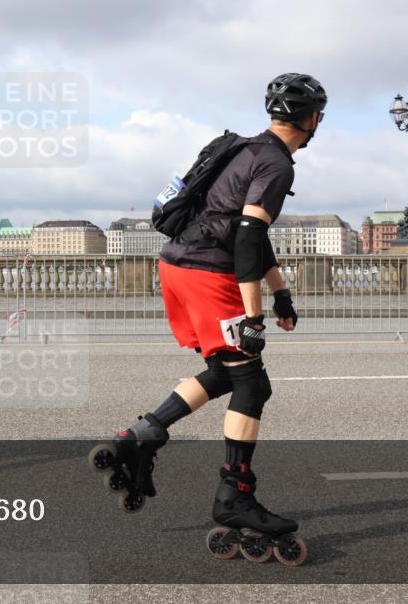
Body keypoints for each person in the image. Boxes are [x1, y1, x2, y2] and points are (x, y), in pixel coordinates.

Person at [91, 73, 325, 563]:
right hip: (208, 275)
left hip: (175, 265)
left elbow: (249, 234)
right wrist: (255, 317)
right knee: (252, 384)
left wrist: (281, 293)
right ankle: (235, 496)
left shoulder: (242, 148)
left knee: (225, 370)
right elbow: (244, 238)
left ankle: (142, 437)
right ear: (312, 119)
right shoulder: (278, 166)